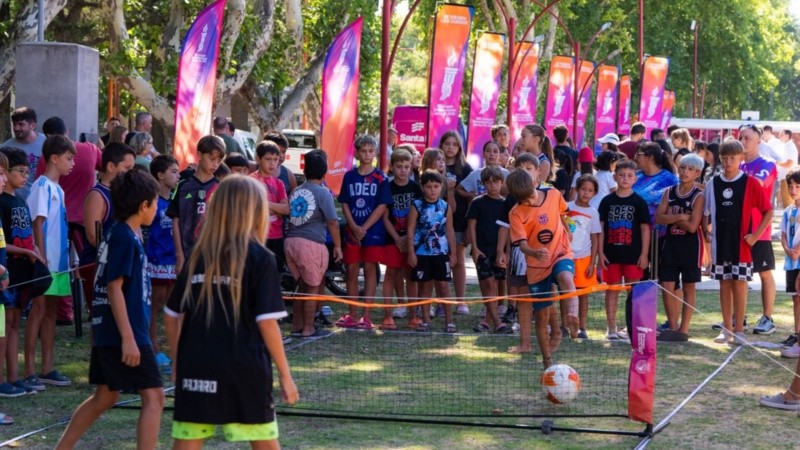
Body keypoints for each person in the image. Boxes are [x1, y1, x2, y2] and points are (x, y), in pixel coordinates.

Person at [164, 175, 298, 448]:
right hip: (244, 368)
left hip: (197, 365)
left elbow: (171, 313)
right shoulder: (261, 258)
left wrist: (179, 361)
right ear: (255, 211)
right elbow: (268, 324)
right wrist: (286, 376)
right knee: (264, 442)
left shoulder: (198, 255)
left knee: (186, 442)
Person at [56, 169, 165, 450]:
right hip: (124, 333)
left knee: (105, 396)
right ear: (144, 205)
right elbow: (114, 287)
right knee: (154, 397)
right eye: (155, 202)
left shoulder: (124, 234)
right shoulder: (122, 238)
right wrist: (129, 338)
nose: (157, 209)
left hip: (112, 332)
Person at [703, 140, 772, 345]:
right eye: (724, 158)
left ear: (741, 158)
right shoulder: (713, 183)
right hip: (720, 244)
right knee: (724, 284)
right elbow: (705, 213)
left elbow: (768, 211)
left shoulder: (750, 182)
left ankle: (739, 330)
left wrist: (755, 235)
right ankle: (727, 329)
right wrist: (706, 234)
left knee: (739, 284)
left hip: (742, 245)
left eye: (733, 158)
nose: (728, 162)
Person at [37, 116, 103, 325]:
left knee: (63, 262)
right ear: (67, 130)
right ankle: (95, 306)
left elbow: (42, 180)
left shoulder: (47, 159)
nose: (71, 163)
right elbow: (106, 166)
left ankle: (64, 312)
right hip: (85, 216)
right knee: (89, 263)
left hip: (61, 219)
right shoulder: (90, 150)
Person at [507, 168, 576, 366]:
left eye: (530, 197)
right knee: (541, 314)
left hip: (560, 252)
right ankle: (547, 359)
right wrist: (534, 253)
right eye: (524, 201)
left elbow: (564, 212)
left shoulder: (554, 194)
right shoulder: (516, 213)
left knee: (565, 276)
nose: (529, 202)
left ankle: (572, 313)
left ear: (534, 184)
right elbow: (521, 244)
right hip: (536, 266)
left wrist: (567, 230)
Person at [27, 135, 75, 387]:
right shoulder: (42, 186)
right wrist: (41, 258)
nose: (73, 164)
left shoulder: (59, 189)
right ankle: (30, 371)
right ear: (54, 159)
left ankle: (47, 367)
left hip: (59, 263)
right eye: (69, 158)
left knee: (52, 311)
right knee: (38, 310)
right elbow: (38, 222)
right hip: (45, 263)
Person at [0, 147, 46, 393]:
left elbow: (26, 234)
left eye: (27, 171)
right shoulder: (2, 202)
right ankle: (3, 380)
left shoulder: (20, 200)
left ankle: (15, 377)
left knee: (15, 321)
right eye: (20, 171)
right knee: (4, 324)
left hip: (23, 269)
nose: (24, 176)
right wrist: (28, 252)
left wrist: (35, 249)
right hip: (8, 268)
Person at [285, 150, 342, 338]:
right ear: (324, 173)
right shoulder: (323, 193)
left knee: (302, 286)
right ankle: (308, 328)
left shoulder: (296, 191)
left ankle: (297, 326)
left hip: (290, 242)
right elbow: (333, 222)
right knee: (312, 288)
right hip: (311, 244)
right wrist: (338, 246)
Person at [336, 135, 391, 330]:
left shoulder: (381, 178)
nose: (367, 154)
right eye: (363, 151)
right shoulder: (349, 176)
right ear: (357, 153)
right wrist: (353, 225)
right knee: (351, 270)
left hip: (373, 231)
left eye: (370, 150)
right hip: (352, 231)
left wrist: (364, 228)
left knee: (370, 270)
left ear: (375, 153)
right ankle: (352, 313)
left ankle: (366, 316)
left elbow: (382, 206)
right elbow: (344, 203)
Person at [655, 153, 705, 342]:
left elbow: (693, 226)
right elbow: (659, 218)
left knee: (688, 287)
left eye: (690, 169)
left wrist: (672, 216)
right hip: (670, 244)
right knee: (667, 285)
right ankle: (673, 327)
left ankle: (683, 329)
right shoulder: (669, 191)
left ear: (697, 173)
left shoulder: (698, 195)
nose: (685, 172)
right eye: (683, 167)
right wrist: (681, 216)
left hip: (691, 246)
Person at [598, 160, 650, 340]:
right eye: (621, 175)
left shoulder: (639, 202)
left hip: (633, 255)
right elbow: (601, 229)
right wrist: (600, 253)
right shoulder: (606, 201)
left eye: (629, 175)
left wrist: (644, 254)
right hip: (610, 254)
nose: (625, 178)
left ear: (635, 178)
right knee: (611, 290)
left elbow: (645, 229)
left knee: (633, 291)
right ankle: (611, 328)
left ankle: (632, 328)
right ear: (614, 177)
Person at [81, 143, 136, 315]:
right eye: (127, 168)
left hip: (118, 262)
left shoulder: (122, 193)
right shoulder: (98, 195)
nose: (130, 173)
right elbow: (93, 235)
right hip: (98, 265)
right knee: (101, 316)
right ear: (111, 166)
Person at [738, 124, 779, 335]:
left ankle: (767, 318)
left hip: (759, 230)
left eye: (747, 138)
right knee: (738, 275)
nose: (743, 142)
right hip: (737, 230)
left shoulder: (767, 164)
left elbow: (758, 184)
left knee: (764, 272)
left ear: (758, 141)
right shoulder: (736, 166)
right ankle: (739, 318)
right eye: (740, 138)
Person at [407, 170, 457, 332]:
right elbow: (411, 229)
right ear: (422, 187)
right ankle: (425, 319)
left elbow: (450, 231)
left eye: (436, 186)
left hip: (441, 254)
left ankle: (449, 321)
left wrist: (453, 253)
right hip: (422, 253)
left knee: (443, 286)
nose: (433, 190)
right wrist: (411, 252)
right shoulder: (417, 205)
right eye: (429, 187)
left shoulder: (445, 207)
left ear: (441, 186)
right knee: (425, 288)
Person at [168, 135, 224, 272]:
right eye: (211, 158)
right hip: (186, 253)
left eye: (219, 160)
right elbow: (176, 220)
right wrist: (179, 255)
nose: (215, 164)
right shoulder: (182, 186)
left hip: (212, 255)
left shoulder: (221, 188)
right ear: (199, 154)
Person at [380, 149, 422, 330]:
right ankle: (388, 316)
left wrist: (408, 237)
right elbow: (384, 216)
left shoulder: (415, 188)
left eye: (406, 167)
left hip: (411, 239)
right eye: (399, 167)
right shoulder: (387, 187)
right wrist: (398, 238)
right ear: (392, 166)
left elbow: (420, 215)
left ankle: (413, 316)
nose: (403, 170)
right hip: (392, 238)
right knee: (391, 274)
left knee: (411, 276)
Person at [146, 155, 180, 372]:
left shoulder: (175, 201)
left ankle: (173, 348)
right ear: (160, 174)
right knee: (154, 304)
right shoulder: (151, 200)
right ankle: (152, 348)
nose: (178, 176)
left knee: (171, 305)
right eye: (174, 171)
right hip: (156, 260)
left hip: (173, 260)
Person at [467, 166, 510, 334]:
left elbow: (507, 229)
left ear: (502, 183)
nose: (493, 186)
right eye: (489, 182)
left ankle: (486, 320)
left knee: (496, 285)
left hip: (498, 251)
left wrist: (506, 251)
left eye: (496, 182)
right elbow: (472, 225)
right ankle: (498, 322)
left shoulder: (505, 203)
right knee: (489, 284)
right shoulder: (478, 202)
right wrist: (475, 248)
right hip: (482, 250)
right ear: (483, 183)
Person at [441, 131, 472, 316]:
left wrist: (469, 225)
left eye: (454, 144)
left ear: (459, 147)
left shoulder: (465, 169)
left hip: (459, 220)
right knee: (439, 262)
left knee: (458, 260)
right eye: (447, 143)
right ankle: (440, 301)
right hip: (437, 222)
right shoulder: (435, 165)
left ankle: (461, 301)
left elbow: (470, 200)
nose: (450, 147)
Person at [567, 174, 601, 339]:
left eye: (590, 190)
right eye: (583, 189)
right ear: (577, 189)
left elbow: (595, 237)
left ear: (594, 193)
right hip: (566, 257)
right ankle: (565, 325)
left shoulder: (594, 213)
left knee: (583, 294)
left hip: (584, 258)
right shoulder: (566, 208)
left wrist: (592, 262)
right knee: (566, 293)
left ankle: (582, 327)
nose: (586, 193)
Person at [251, 141, 290, 273]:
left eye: (275, 159)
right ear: (258, 159)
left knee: (275, 276)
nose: (272, 163)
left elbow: (286, 210)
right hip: (256, 236)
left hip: (277, 237)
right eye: (268, 159)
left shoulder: (279, 183)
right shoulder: (250, 181)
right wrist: (277, 208)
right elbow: (252, 209)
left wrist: (265, 204)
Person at [2, 107, 46, 200]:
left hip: (40, 201)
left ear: (32, 126)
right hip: (15, 203)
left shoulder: (46, 143)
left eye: (21, 124)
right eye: (14, 124)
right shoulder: (5, 148)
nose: (16, 128)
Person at [780, 167, 800, 358]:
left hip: (799, 259)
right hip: (791, 261)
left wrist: (797, 250)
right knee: (795, 298)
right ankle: (797, 333)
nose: (793, 189)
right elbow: (784, 234)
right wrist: (787, 249)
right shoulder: (788, 211)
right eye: (790, 186)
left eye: (797, 186)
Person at [263, 131, 297, 195]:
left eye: (283, 151)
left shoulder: (289, 175)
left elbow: (293, 200)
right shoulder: (253, 169)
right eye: (277, 151)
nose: (281, 155)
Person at [778, 129, 799, 208]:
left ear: (787, 136)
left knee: (788, 202)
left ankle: (790, 219)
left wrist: (777, 163)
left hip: (787, 177)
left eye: (781, 134)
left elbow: (789, 163)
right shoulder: (787, 146)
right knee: (787, 201)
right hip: (785, 177)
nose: (779, 136)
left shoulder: (790, 146)